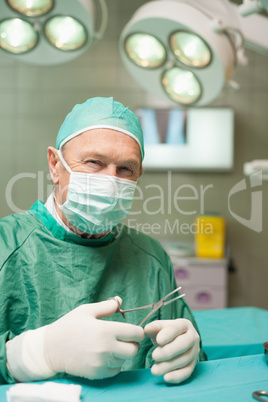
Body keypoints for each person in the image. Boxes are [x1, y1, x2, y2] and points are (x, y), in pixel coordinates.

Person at [0, 97, 206, 386]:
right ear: (55, 165)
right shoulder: (6, 247)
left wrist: (189, 354)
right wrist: (34, 354)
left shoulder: (150, 257)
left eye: (125, 170)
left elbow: (182, 363)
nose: (110, 182)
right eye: (94, 162)